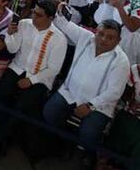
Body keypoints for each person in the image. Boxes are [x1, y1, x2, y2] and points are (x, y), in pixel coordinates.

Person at [0, 0, 68, 160]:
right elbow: (12, 48)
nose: (34, 17)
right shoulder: (25, 24)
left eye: (39, 15)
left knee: (21, 108)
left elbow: (54, 69)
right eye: (34, 12)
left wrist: (32, 80)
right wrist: (11, 35)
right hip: (18, 67)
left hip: (40, 77)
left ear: (50, 18)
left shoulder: (59, 39)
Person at [43, 18, 130, 167]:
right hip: (69, 92)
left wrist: (90, 105)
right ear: (95, 32)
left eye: (110, 37)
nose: (103, 40)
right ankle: (63, 141)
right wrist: (60, 6)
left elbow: (114, 92)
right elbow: (64, 23)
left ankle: (83, 152)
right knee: (49, 112)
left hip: (99, 105)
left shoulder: (121, 61)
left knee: (89, 133)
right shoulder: (85, 38)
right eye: (100, 34)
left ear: (118, 40)